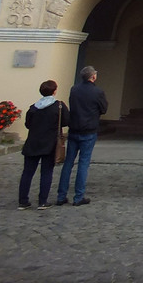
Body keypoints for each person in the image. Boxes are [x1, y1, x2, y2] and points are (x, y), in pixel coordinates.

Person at [56, 66, 108, 207]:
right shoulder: (97, 92)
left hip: (74, 129)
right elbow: (104, 109)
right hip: (89, 130)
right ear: (93, 77)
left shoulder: (74, 89)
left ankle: (61, 196)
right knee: (83, 163)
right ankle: (78, 196)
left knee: (68, 163)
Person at [18, 79, 67, 210]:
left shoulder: (33, 108)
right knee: (46, 172)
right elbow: (66, 121)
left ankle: (23, 201)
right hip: (49, 143)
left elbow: (28, 124)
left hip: (32, 143)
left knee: (27, 173)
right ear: (55, 91)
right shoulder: (59, 106)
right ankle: (42, 201)